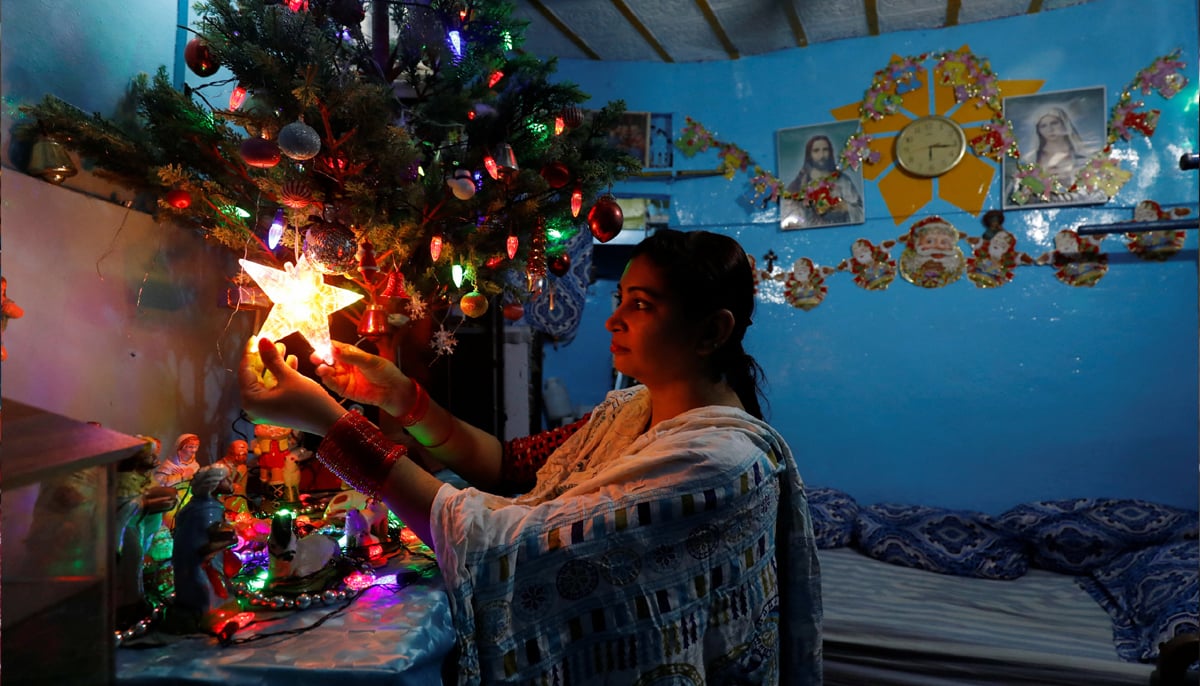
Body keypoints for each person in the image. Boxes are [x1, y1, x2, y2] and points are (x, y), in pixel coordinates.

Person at [239, 228, 822, 685]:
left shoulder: (716, 464)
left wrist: (330, 423)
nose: (612, 318)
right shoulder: (628, 411)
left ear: (710, 331)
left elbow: (509, 546)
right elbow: (507, 465)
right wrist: (399, 397)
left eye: (641, 306)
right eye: (620, 298)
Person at [1011, 106, 1107, 206]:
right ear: (1038, 130)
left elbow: (1097, 191)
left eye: (1054, 123)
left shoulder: (1084, 156)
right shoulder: (1030, 160)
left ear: (1064, 124)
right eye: (1043, 126)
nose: (1050, 129)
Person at [780, 134, 864, 229]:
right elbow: (787, 214)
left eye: (825, 150)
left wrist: (845, 208)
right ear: (809, 154)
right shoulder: (800, 182)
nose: (822, 155)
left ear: (830, 152)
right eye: (816, 151)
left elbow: (861, 211)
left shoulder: (842, 180)